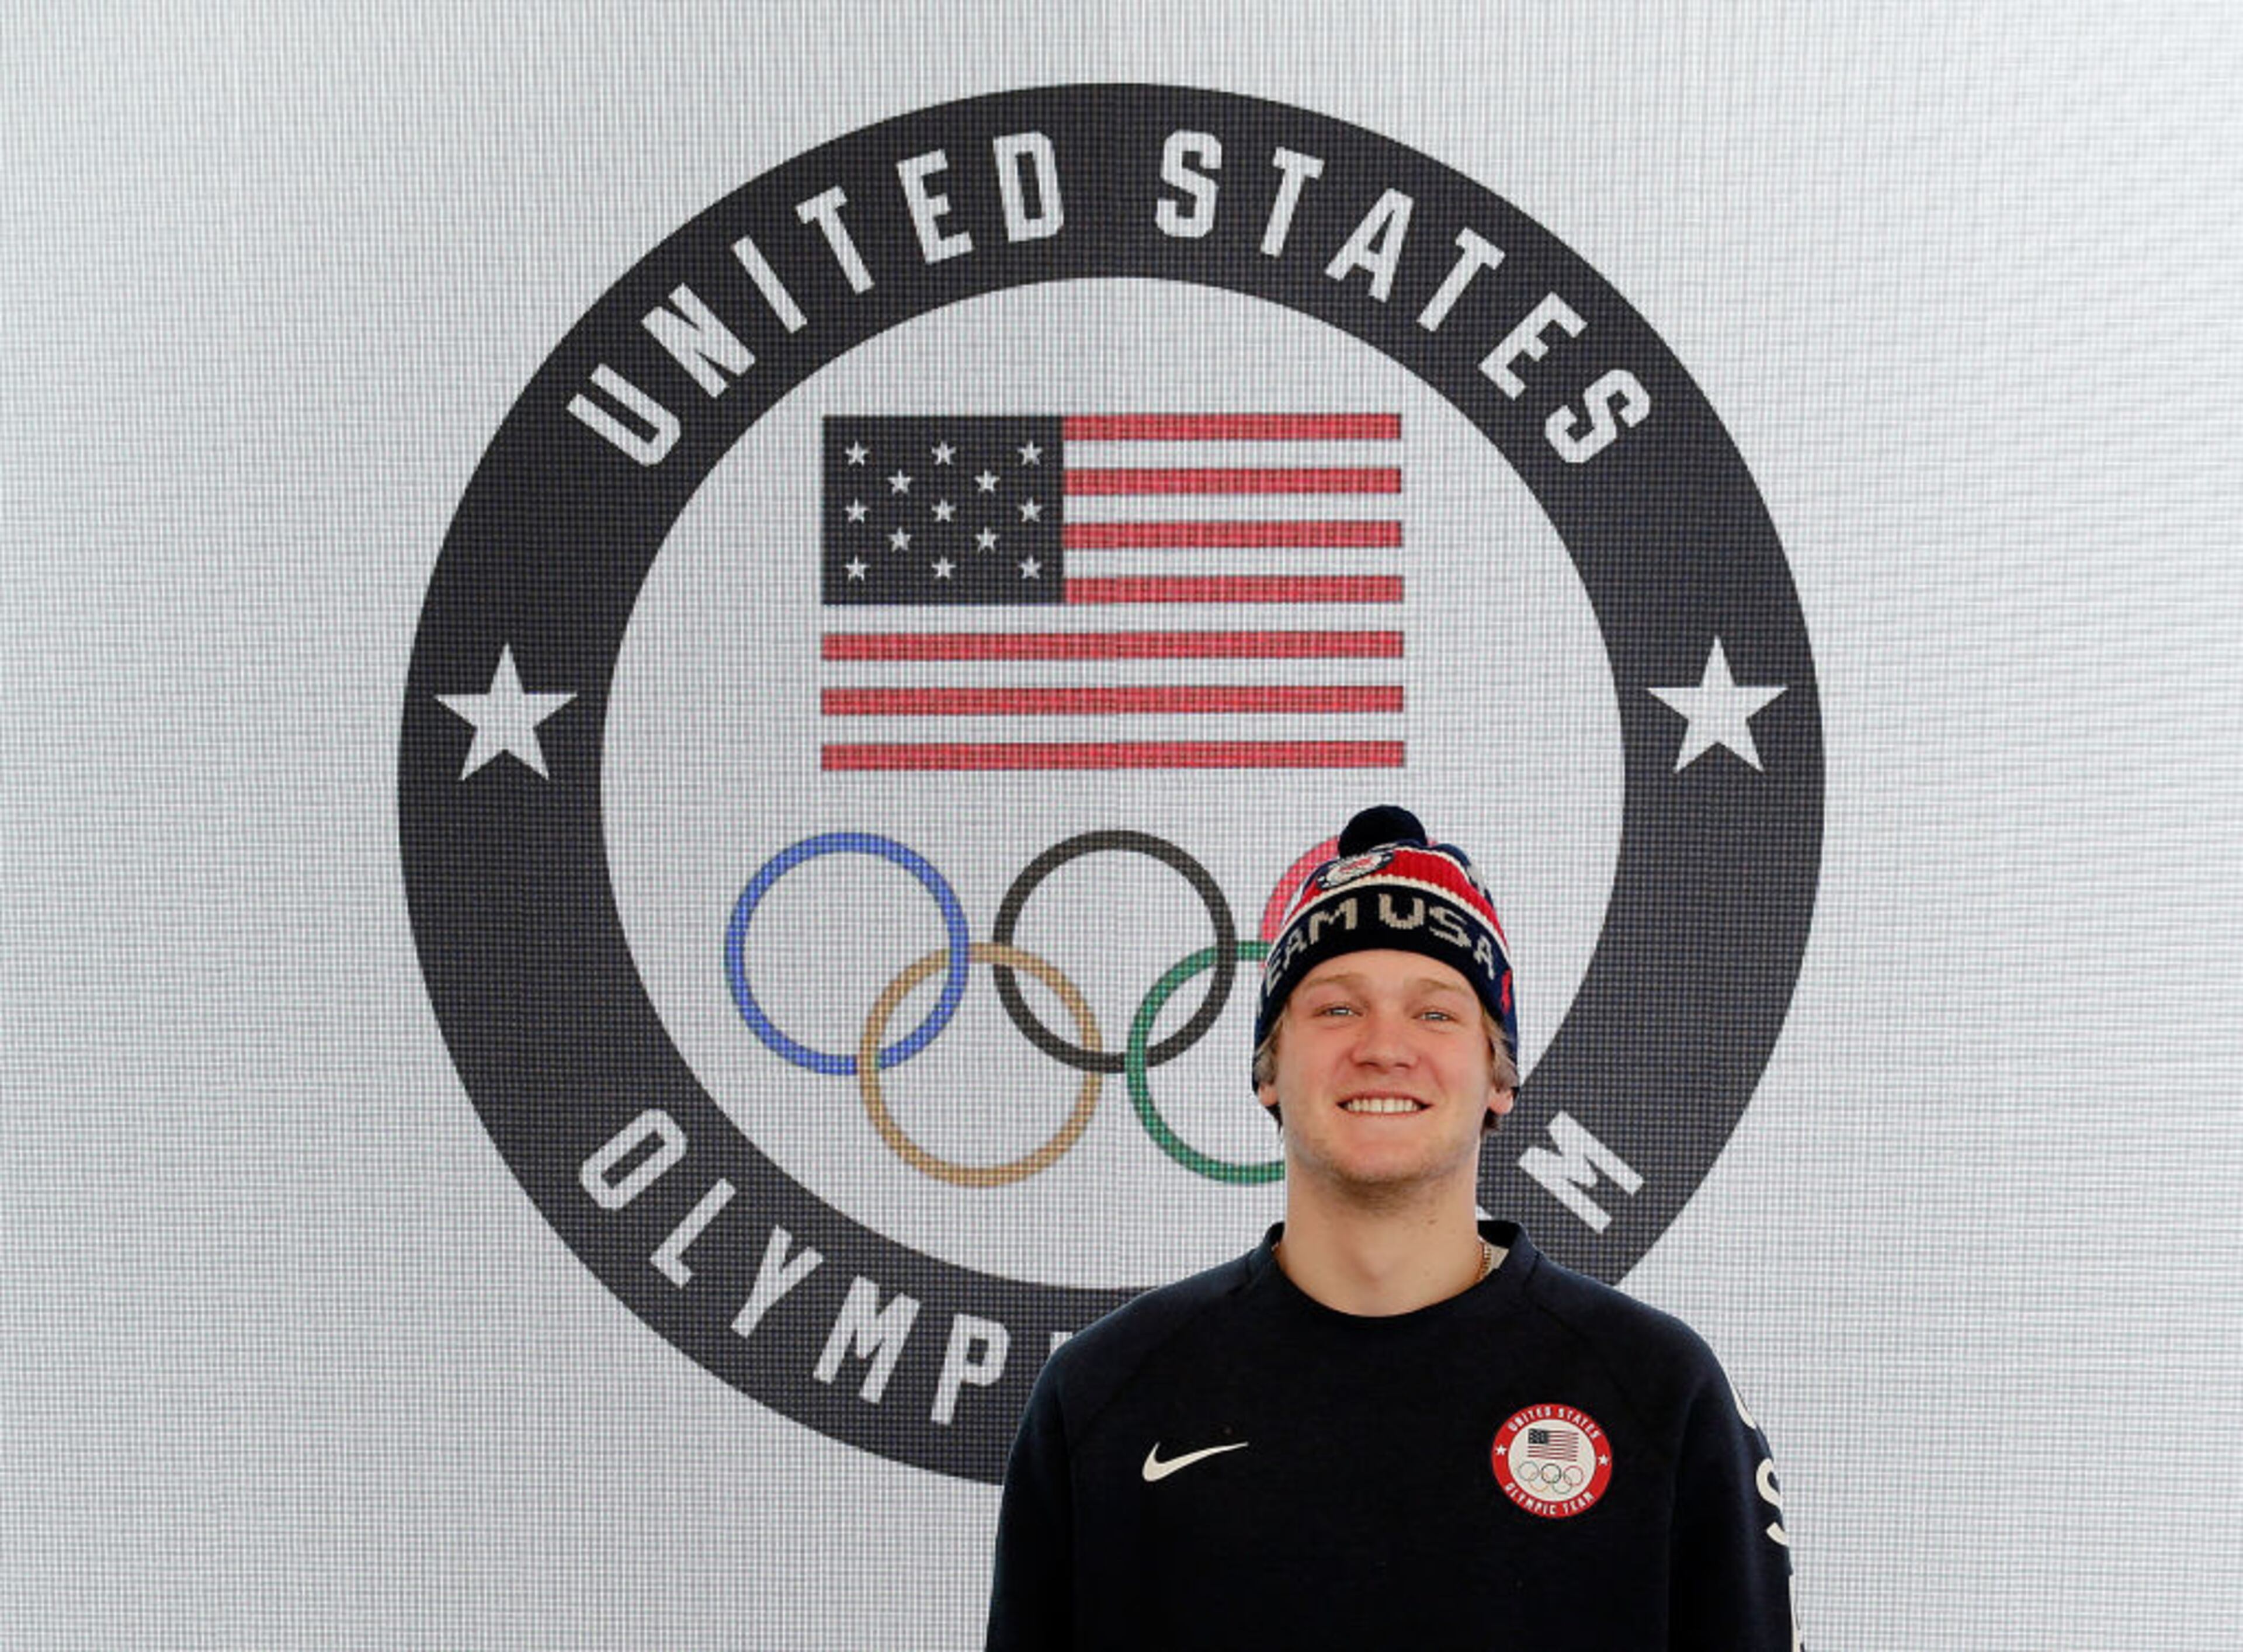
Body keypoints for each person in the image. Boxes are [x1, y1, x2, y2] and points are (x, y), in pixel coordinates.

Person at [984, 806, 1798, 1650]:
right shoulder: (1105, 1396)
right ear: (1269, 1070)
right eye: (1337, 1009)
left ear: (1500, 1079)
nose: (1384, 1047)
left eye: (1437, 1013)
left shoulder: (1660, 1394)